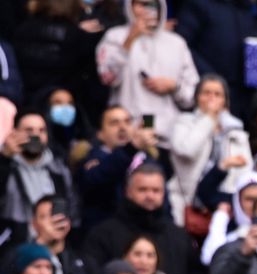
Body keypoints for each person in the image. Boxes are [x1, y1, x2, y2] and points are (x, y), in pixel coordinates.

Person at [82, 161, 201, 274]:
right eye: (142, 190)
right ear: (128, 192)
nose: (150, 196)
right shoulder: (102, 235)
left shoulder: (179, 236)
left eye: (156, 190)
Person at [94, 0, 200, 147]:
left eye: (153, 5)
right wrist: (130, 40)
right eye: (142, 4)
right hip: (128, 134)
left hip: (167, 136)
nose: (148, 10)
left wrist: (173, 87)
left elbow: (193, 95)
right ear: (130, 6)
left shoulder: (176, 43)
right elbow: (107, 78)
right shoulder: (114, 37)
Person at [167, 74, 247, 225]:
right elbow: (187, 150)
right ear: (197, 97)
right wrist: (209, 118)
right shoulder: (184, 122)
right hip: (187, 201)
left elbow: (244, 169)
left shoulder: (236, 130)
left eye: (217, 94)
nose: (212, 98)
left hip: (222, 205)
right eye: (206, 93)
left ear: (225, 101)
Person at [75, 105, 160, 233]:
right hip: (105, 236)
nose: (122, 128)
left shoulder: (148, 160)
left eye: (127, 122)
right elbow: (102, 174)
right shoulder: (90, 159)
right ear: (100, 134)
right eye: (114, 123)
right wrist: (132, 147)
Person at [0, 111, 74, 226]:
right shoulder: (5, 166)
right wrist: (4, 159)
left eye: (41, 130)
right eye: (29, 130)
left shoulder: (59, 169)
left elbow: (72, 206)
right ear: (14, 133)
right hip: (13, 241)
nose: (36, 135)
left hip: (50, 241)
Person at [25, 194, 92, 274]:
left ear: (68, 222)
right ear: (33, 224)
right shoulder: (21, 258)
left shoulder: (83, 260)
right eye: (44, 217)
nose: (52, 222)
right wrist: (41, 244)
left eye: (56, 216)